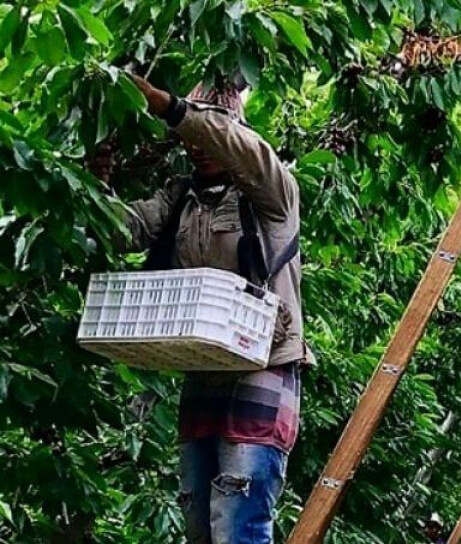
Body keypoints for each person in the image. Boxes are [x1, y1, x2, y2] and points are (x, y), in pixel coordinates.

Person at [89, 73, 314, 543]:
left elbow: (237, 146)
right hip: (205, 368)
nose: (196, 144)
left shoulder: (272, 191)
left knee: (238, 519)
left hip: (263, 367)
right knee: (199, 521)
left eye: (206, 131)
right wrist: (94, 189)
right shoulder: (181, 197)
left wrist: (170, 107)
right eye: (188, 137)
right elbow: (124, 229)